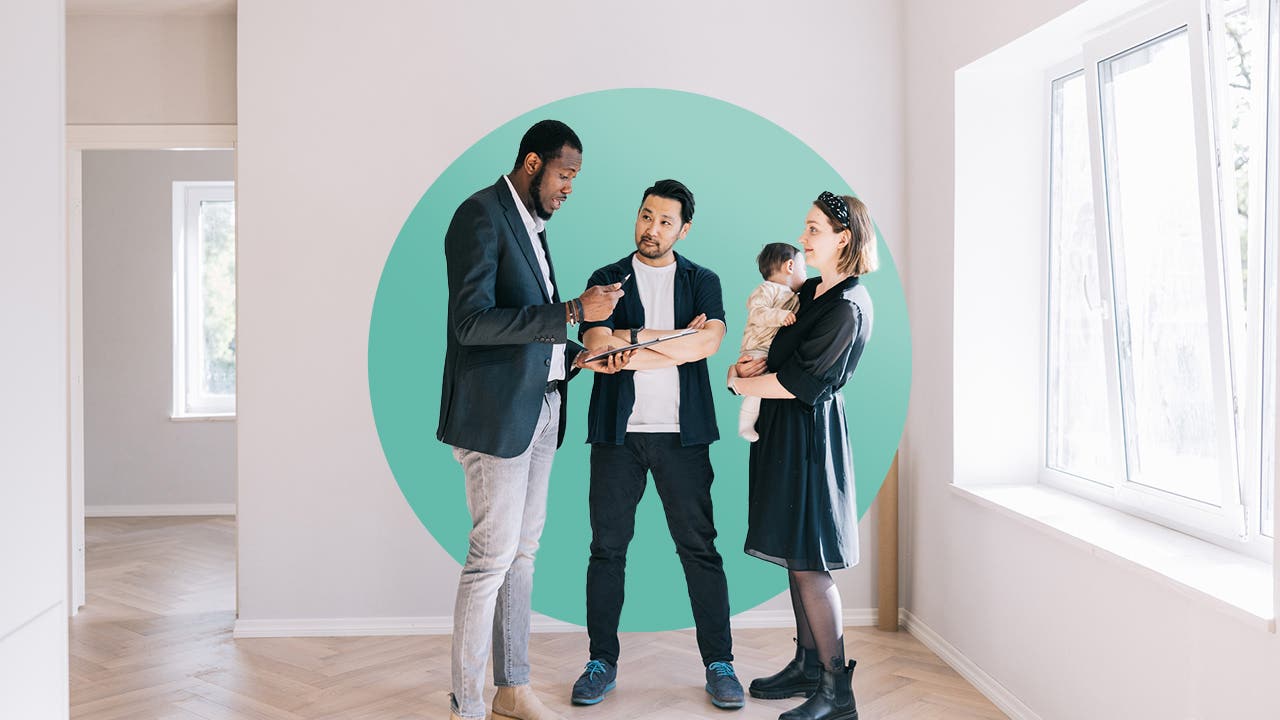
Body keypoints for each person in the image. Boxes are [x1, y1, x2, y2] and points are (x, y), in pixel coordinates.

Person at [438, 119, 630, 720]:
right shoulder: (480, 216)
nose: (570, 187)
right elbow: (472, 324)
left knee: (522, 554)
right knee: (490, 559)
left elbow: (528, 326)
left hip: (544, 406)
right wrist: (574, 310)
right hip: (497, 419)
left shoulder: (532, 226)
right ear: (531, 163)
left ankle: (511, 688)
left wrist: (582, 355)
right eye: (565, 174)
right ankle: (466, 704)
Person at [569, 179, 745, 711]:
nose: (652, 228)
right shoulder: (606, 278)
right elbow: (596, 347)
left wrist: (634, 341)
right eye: (646, 216)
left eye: (666, 221)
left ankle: (720, 663)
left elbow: (710, 342)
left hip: (682, 436)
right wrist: (674, 342)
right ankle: (601, 661)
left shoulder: (703, 280)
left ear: (683, 228)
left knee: (700, 550)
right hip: (617, 436)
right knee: (607, 550)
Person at [727, 192, 877, 720]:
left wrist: (734, 379)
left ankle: (838, 692)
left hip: (811, 442)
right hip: (785, 437)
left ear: (844, 238)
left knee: (811, 563)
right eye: (806, 227)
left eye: (814, 229)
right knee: (796, 555)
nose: (804, 237)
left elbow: (801, 383)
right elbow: (773, 345)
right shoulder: (813, 290)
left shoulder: (848, 306)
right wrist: (749, 367)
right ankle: (809, 665)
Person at [737, 242, 807, 442]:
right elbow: (757, 312)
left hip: (770, 349)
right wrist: (779, 316)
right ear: (790, 266)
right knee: (757, 389)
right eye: (804, 268)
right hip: (757, 347)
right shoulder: (767, 289)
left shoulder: (794, 295)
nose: (806, 274)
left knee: (766, 387)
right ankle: (745, 425)